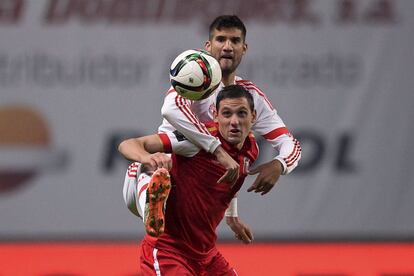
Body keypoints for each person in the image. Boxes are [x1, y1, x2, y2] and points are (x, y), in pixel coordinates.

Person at [121, 15, 301, 236]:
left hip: (197, 188)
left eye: (235, 41)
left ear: (244, 48)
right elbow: (170, 108)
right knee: (156, 166)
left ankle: (157, 206)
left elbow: (288, 144)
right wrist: (217, 150)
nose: (227, 47)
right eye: (220, 39)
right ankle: (153, 201)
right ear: (208, 46)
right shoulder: (195, 78)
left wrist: (279, 165)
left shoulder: (248, 97)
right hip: (166, 165)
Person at [120, 85, 259, 275]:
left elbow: (229, 184)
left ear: (254, 116)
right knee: (147, 167)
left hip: (207, 254)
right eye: (227, 114)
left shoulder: (251, 150)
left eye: (241, 114)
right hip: (168, 250)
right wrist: (147, 158)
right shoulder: (195, 140)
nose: (234, 122)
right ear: (215, 116)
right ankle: (150, 200)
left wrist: (232, 216)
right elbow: (128, 145)